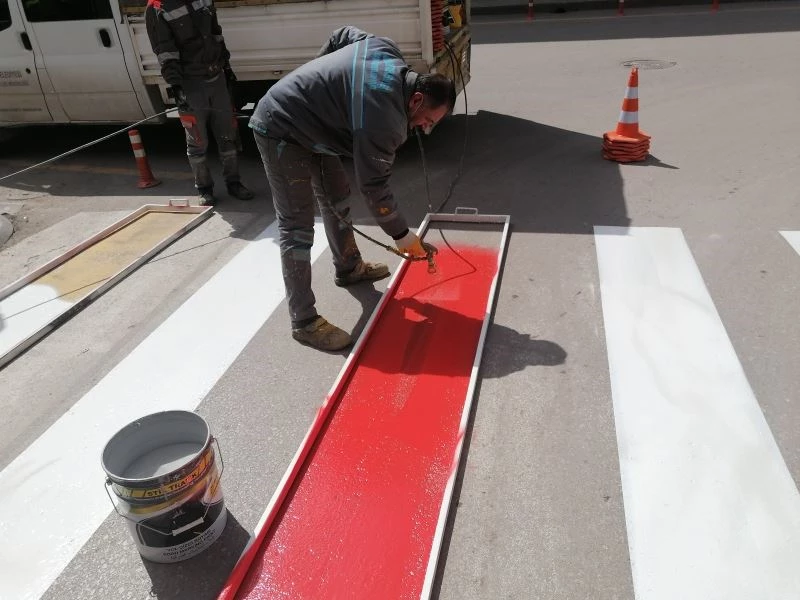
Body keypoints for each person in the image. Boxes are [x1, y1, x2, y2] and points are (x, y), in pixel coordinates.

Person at [249, 26, 456, 352]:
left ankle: (348, 267)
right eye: (427, 120)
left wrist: (320, 95)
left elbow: (341, 35)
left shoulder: (386, 48)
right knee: (296, 226)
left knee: (338, 197)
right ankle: (303, 321)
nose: (424, 127)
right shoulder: (384, 120)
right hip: (280, 127)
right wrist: (403, 236)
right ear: (416, 99)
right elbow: (374, 185)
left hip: (315, 129)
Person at [145, 0, 254, 206]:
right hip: (190, 85)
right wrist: (176, 86)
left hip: (217, 78)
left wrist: (227, 67)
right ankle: (204, 188)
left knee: (228, 136)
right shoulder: (157, 7)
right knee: (197, 142)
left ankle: (234, 183)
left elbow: (216, 33)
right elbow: (164, 51)